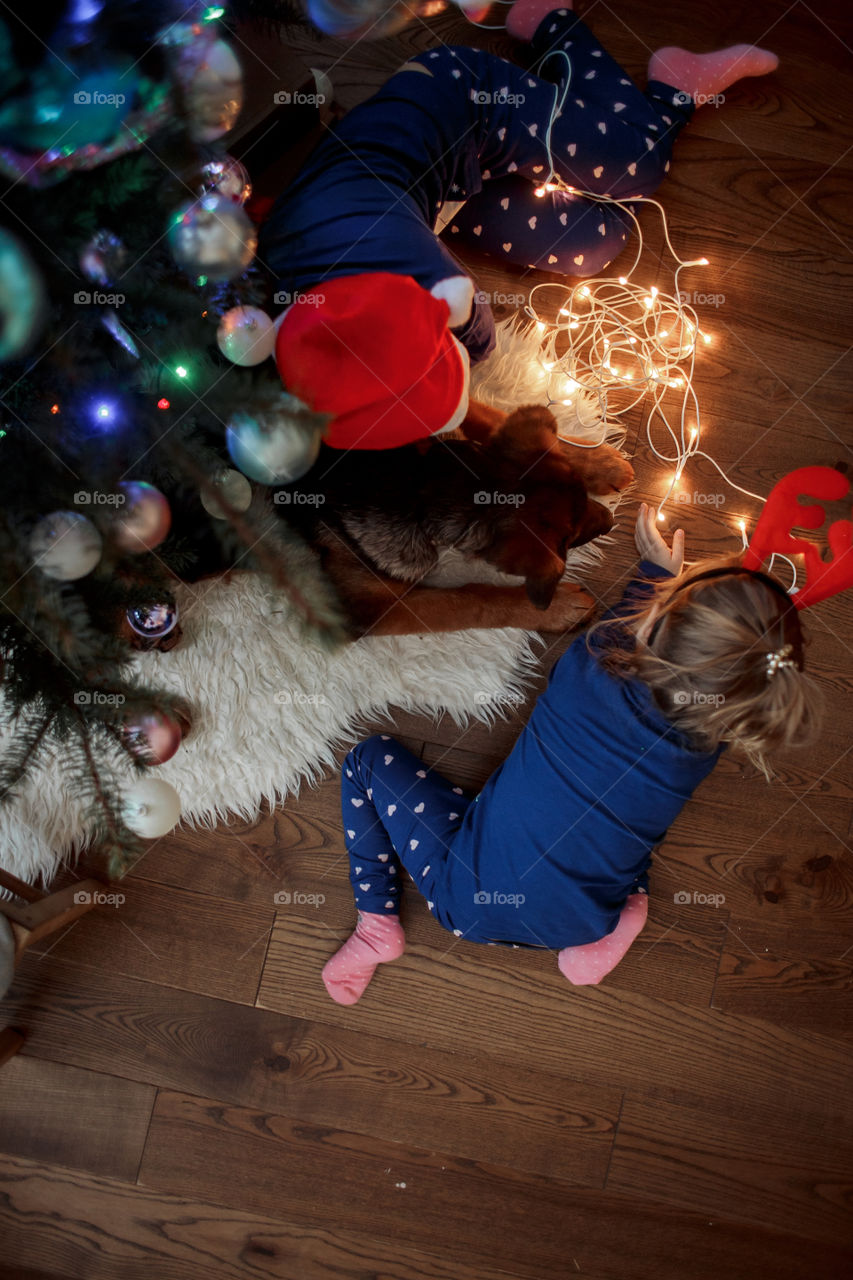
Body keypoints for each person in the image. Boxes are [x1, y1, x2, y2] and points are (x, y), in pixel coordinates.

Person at [321, 503, 822, 1003]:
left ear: (649, 626)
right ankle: (605, 936)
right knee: (624, 829)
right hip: (581, 921)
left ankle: (376, 925)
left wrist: (653, 573)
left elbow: (628, 632)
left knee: (368, 760)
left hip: (465, 902)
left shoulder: (594, 659)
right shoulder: (703, 749)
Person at [262, 0, 779, 449]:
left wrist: (477, 377)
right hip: (438, 197)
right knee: (592, 248)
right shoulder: (303, 302)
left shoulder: (414, 271)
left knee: (640, 163)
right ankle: (624, 87)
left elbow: (477, 331)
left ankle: (573, 36)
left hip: (464, 99)